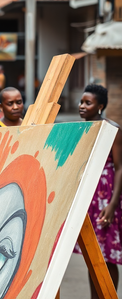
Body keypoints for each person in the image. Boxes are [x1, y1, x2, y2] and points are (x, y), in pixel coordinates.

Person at [73, 84, 122, 298]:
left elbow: (120, 167)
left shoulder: (113, 129)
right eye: (81, 102)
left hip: (106, 195)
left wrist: (112, 205)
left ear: (100, 106)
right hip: (87, 195)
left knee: (107, 255)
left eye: (87, 103)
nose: (81, 106)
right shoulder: (79, 128)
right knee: (93, 253)